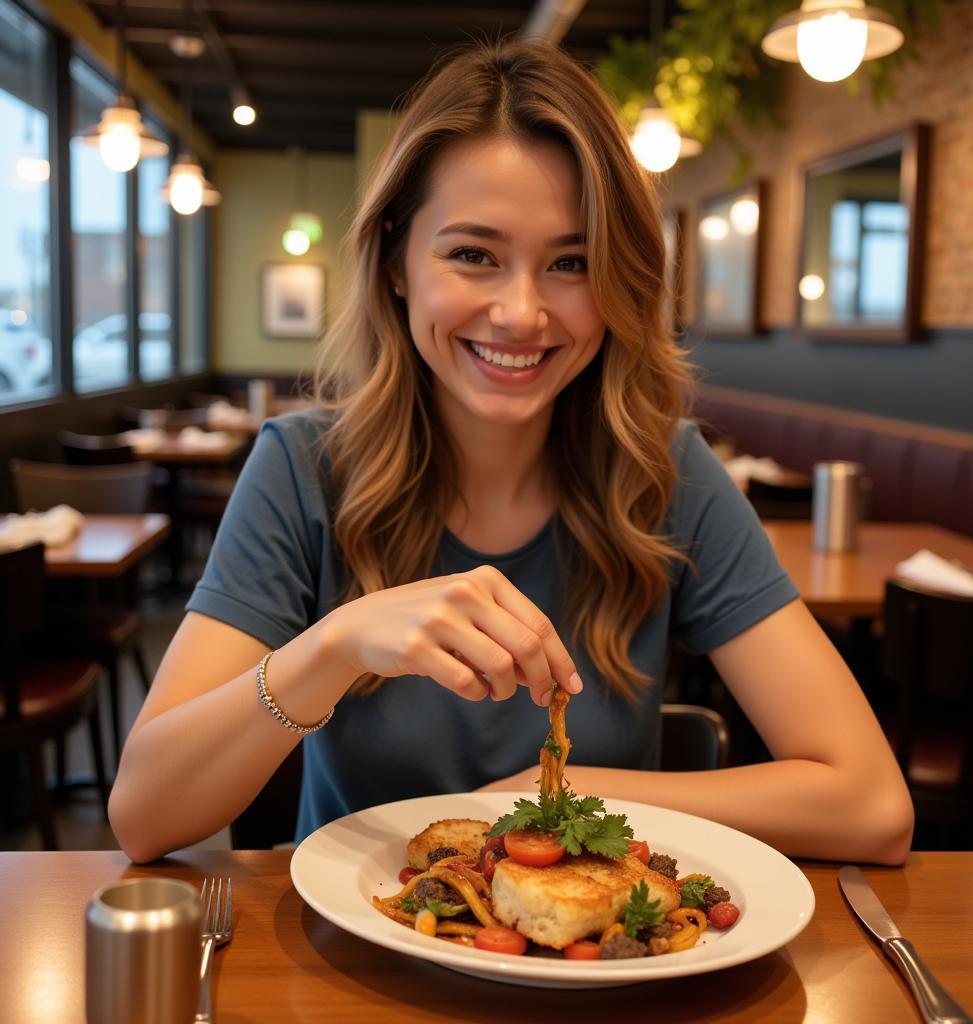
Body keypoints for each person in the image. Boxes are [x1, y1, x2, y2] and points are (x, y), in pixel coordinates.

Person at [109, 39, 913, 866]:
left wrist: (552, 792)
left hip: (594, 975)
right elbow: (144, 815)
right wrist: (334, 646)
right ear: (395, 261)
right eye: (473, 255)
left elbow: (872, 805)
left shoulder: (668, 476)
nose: (522, 314)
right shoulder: (303, 468)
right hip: (354, 976)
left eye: (571, 262)